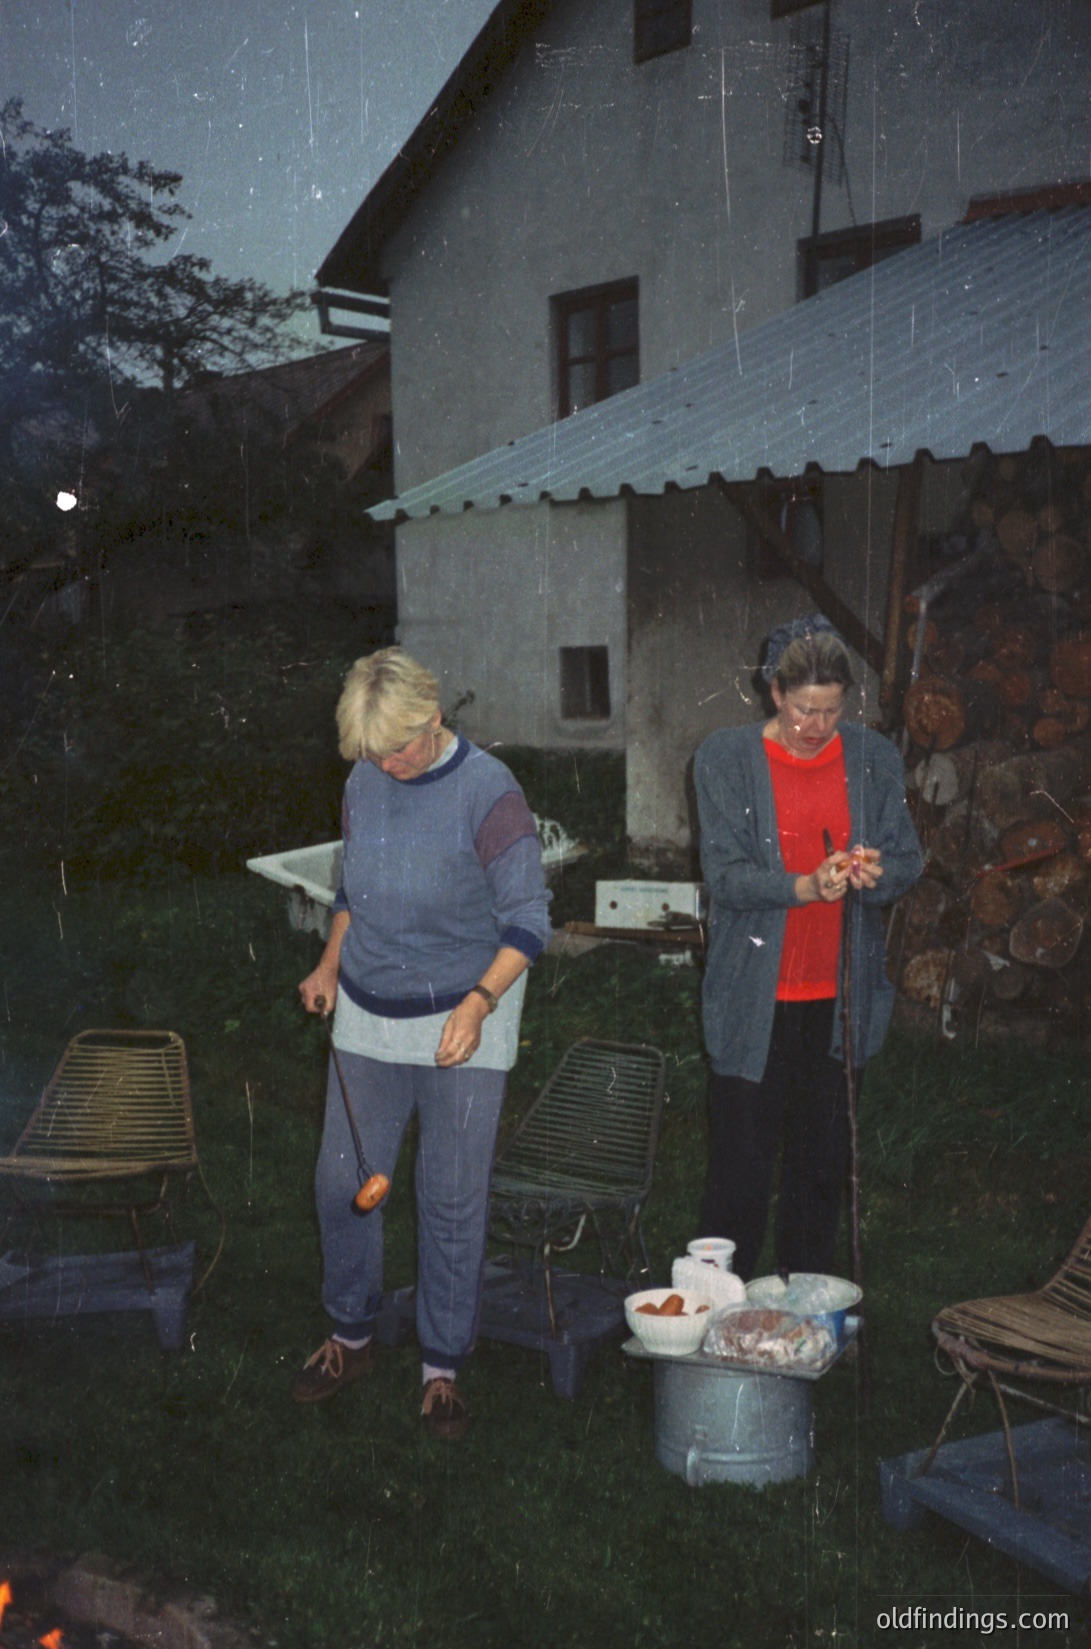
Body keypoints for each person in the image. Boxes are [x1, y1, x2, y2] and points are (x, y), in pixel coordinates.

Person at [294, 647, 552, 1438]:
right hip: (369, 1009)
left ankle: (441, 1364)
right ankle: (353, 1332)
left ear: (434, 717)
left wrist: (477, 1003)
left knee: (448, 1194)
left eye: (397, 748)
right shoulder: (365, 780)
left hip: (464, 1012)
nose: (386, 765)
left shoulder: (488, 792)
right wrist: (330, 961)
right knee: (344, 1177)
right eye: (372, 753)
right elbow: (350, 892)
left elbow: (528, 921)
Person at [693, 615, 923, 1282]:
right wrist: (804, 884)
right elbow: (726, 876)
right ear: (772, 692)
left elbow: (907, 858)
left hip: (837, 1001)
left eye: (830, 709)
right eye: (802, 710)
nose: (817, 725)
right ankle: (716, 1326)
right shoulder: (725, 757)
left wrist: (877, 873)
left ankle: (804, 1322)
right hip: (752, 1002)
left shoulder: (871, 757)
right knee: (738, 1173)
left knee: (820, 1173)